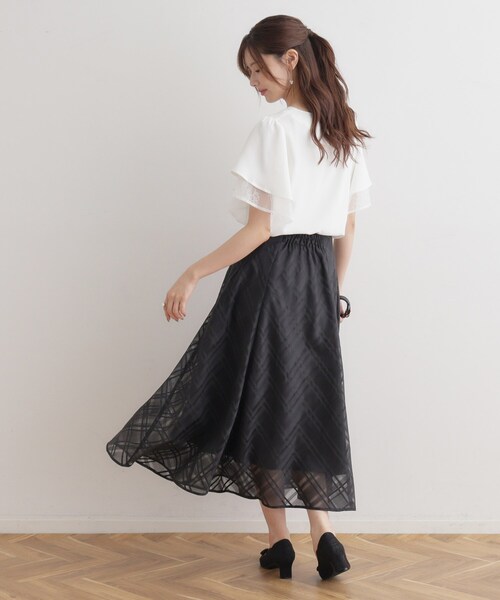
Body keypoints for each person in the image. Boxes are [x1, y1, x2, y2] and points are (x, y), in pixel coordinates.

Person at [106, 14, 373, 581]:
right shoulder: (342, 134)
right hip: (317, 278)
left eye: (257, 69)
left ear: (290, 60)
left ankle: (281, 542)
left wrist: (193, 273)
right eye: (248, 72)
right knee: (306, 400)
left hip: (268, 276)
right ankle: (323, 534)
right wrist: (334, 294)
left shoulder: (275, 132)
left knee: (258, 402)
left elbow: (260, 230)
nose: (253, 81)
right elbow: (349, 226)